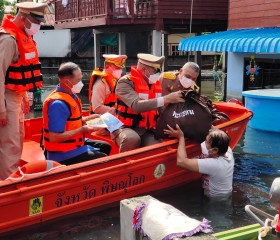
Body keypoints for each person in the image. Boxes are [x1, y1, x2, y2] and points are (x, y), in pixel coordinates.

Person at [0, 2, 47, 180]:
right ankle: (8, 189)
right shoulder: (8, 39)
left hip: (17, 98)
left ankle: (9, 180)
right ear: (23, 18)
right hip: (6, 99)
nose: (38, 26)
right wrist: (1, 109)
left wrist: (26, 97)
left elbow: (21, 72)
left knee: (17, 141)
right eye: (36, 22)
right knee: (10, 146)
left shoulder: (22, 36)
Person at [112, 53, 185, 152]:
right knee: (132, 139)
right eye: (156, 70)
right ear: (144, 70)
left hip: (146, 129)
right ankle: (121, 165)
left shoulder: (154, 85)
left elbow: (160, 109)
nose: (158, 74)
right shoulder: (124, 82)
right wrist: (166, 99)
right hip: (123, 127)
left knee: (157, 147)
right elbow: (136, 106)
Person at [42, 62, 111, 165]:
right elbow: (54, 137)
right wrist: (82, 130)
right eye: (78, 80)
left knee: (106, 146)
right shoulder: (58, 104)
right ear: (67, 82)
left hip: (74, 143)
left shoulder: (71, 96)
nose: (81, 83)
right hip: (62, 153)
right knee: (103, 159)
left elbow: (70, 121)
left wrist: (87, 119)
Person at [164, 125, 234, 198]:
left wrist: (181, 137)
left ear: (215, 150)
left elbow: (181, 162)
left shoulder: (214, 164)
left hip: (215, 201)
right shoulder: (228, 151)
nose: (204, 143)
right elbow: (219, 133)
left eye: (206, 142)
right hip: (225, 194)